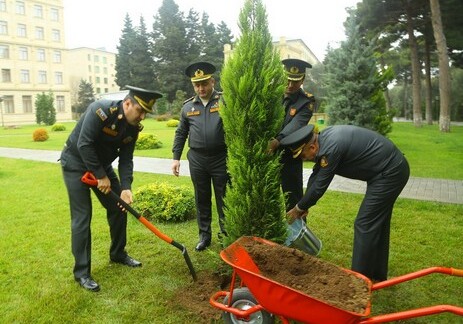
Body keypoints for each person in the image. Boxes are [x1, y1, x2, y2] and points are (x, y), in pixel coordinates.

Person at [60, 85, 163, 292]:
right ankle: (82, 273)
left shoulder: (133, 127)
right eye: (140, 110)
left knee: (119, 206)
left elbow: (126, 159)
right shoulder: (100, 111)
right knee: (82, 218)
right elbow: (84, 144)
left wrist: (126, 187)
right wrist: (100, 176)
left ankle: (118, 253)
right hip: (75, 164)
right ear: (127, 103)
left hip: (101, 167)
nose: (142, 116)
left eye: (146, 112)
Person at [281, 124, 410, 282]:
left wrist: (297, 209)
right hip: (386, 171)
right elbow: (316, 175)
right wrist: (303, 205)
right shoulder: (325, 140)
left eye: (302, 155)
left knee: (364, 223)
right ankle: (376, 275)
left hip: (390, 173)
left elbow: (320, 186)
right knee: (377, 224)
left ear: (313, 147)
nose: (304, 159)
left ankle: (358, 281)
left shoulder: (330, 149)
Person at [171, 61, 228, 252]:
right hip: (197, 159)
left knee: (224, 198)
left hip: (221, 158)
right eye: (197, 85)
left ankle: (226, 235)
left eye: (204, 83)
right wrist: (176, 157)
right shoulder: (188, 107)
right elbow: (181, 133)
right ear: (193, 85)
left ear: (212, 81)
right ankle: (204, 237)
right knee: (201, 198)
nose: (201, 88)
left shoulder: (224, 101)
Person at [268, 58, 315, 211]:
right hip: (268, 155)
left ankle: (298, 233)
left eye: (295, 81)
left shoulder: (306, 101)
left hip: (290, 157)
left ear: (302, 80)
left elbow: (296, 125)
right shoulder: (271, 95)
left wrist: (278, 140)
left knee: (293, 200)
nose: (289, 85)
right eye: (287, 80)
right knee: (269, 199)